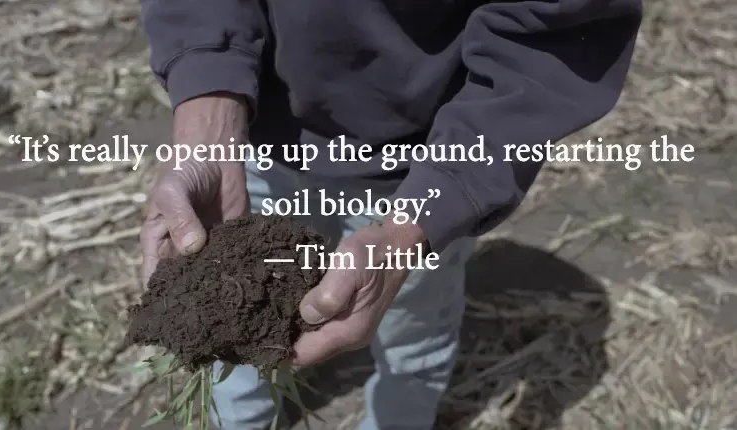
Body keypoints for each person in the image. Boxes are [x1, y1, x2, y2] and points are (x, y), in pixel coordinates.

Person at [138, 0, 642, 428]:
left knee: (412, 335)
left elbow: (549, 42)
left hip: (419, 172)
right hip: (257, 138)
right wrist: (210, 115)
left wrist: (419, 221)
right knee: (238, 315)